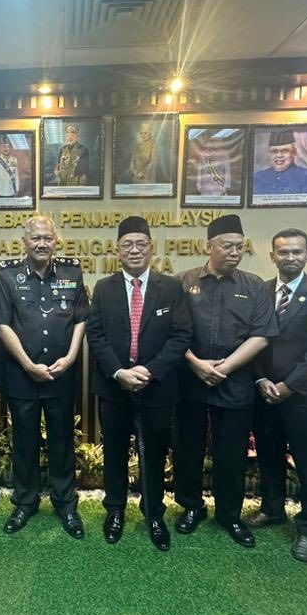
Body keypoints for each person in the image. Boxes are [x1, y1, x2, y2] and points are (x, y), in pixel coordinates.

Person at [86, 216, 191, 551]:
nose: (134, 250)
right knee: (114, 452)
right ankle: (115, 510)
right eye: (127, 245)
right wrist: (119, 372)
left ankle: (154, 513)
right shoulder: (103, 288)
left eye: (141, 244)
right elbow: (95, 334)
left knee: (155, 453)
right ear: (117, 251)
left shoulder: (170, 287)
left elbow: (181, 335)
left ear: (151, 248)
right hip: (114, 387)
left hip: (156, 387)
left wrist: (149, 371)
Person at [175, 214, 276, 548]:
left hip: (235, 383)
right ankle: (191, 506)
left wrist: (225, 368)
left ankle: (230, 514)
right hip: (190, 380)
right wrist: (195, 364)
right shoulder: (183, 282)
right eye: (227, 246)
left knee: (231, 453)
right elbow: (172, 331)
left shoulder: (254, 285)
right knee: (188, 449)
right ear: (209, 246)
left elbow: (261, 335)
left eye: (240, 246)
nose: (235, 252)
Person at [0, 214, 88, 539]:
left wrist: (71, 357)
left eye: (48, 238)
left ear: (56, 241)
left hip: (61, 375)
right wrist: (28, 365)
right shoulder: (6, 275)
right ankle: (25, 502)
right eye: (36, 238)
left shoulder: (72, 272)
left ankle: (66, 504)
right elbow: (2, 323)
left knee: (62, 442)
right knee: (24, 442)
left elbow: (80, 318)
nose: (42, 243)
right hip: (21, 377)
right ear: (25, 242)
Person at [252, 228, 307, 562]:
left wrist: (288, 386)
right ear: (272, 256)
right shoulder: (260, 291)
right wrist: (261, 379)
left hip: (304, 395)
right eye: (283, 252)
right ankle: (272, 509)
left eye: (296, 252)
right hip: (264, 392)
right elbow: (250, 339)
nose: (290, 257)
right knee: (268, 455)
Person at [252, 129, 307, 196]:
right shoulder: (258, 177)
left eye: (285, 151)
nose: (279, 155)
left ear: (294, 152)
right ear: (269, 153)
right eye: (274, 151)